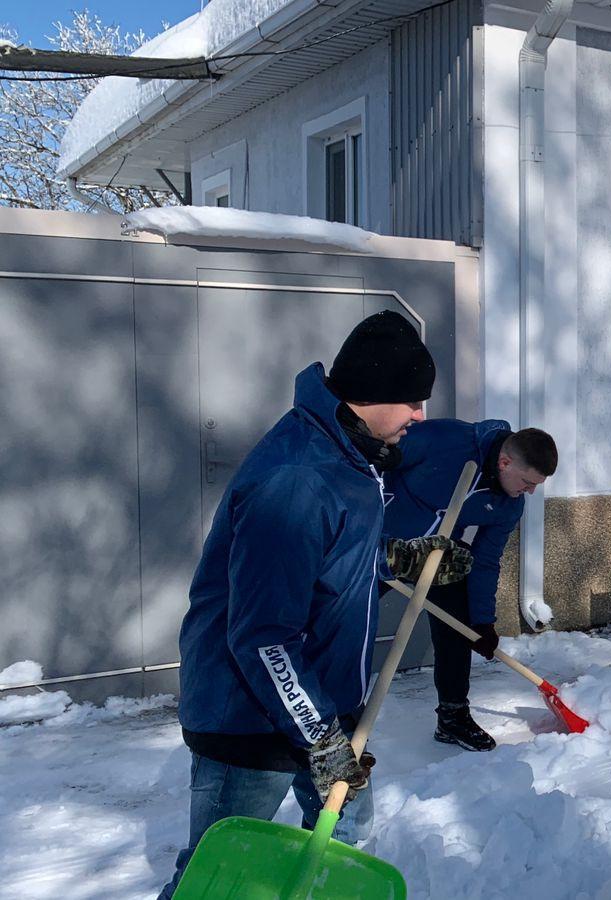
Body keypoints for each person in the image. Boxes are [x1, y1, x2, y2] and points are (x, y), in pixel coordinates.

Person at [159, 311, 473, 898]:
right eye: (411, 400)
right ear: (372, 395)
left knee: (341, 851)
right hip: (251, 719)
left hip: (319, 706)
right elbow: (262, 637)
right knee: (221, 876)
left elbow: (327, 560)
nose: (420, 416)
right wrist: (319, 735)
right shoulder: (298, 478)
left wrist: (398, 559)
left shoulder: (349, 458)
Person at [385, 420, 559, 751]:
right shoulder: (448, 440)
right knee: (339, 624)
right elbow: (380, 456)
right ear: (505, 462)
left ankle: (452, 717)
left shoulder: (510, 504)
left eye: (537, 484)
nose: (531, 491)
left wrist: (483, 622)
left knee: (458, 621)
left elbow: (485, 561)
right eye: (527, 481)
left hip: (433, 554)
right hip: (376, 543)